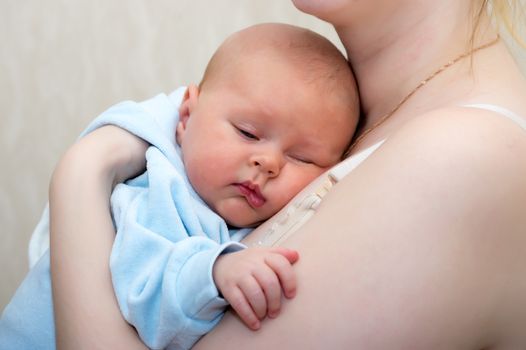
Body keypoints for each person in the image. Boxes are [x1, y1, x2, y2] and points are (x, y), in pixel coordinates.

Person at [42, 0, 526, 348]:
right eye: (249, 132)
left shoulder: (461, 158)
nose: (269, 163)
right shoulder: (337, 105)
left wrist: (82, 173)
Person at [0, 23, 359, 350]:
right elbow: (144, 295)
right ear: (186, 117)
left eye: (301, 157)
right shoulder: (156, 189)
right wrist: (215, 271)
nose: (268, 163)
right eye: (247, 133)